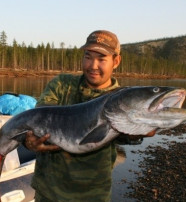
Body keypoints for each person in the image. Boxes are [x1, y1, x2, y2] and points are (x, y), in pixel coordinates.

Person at [24, 30, 122, 201]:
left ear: (116, 61)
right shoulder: (62, 85)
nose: (92, 65)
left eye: (101, 59)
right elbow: (36, 120)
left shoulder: (122, 100)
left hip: (93, 196)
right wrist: (29, 141)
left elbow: (130, 136)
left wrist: (143, 128)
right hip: (48, 193)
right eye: (88, 56)